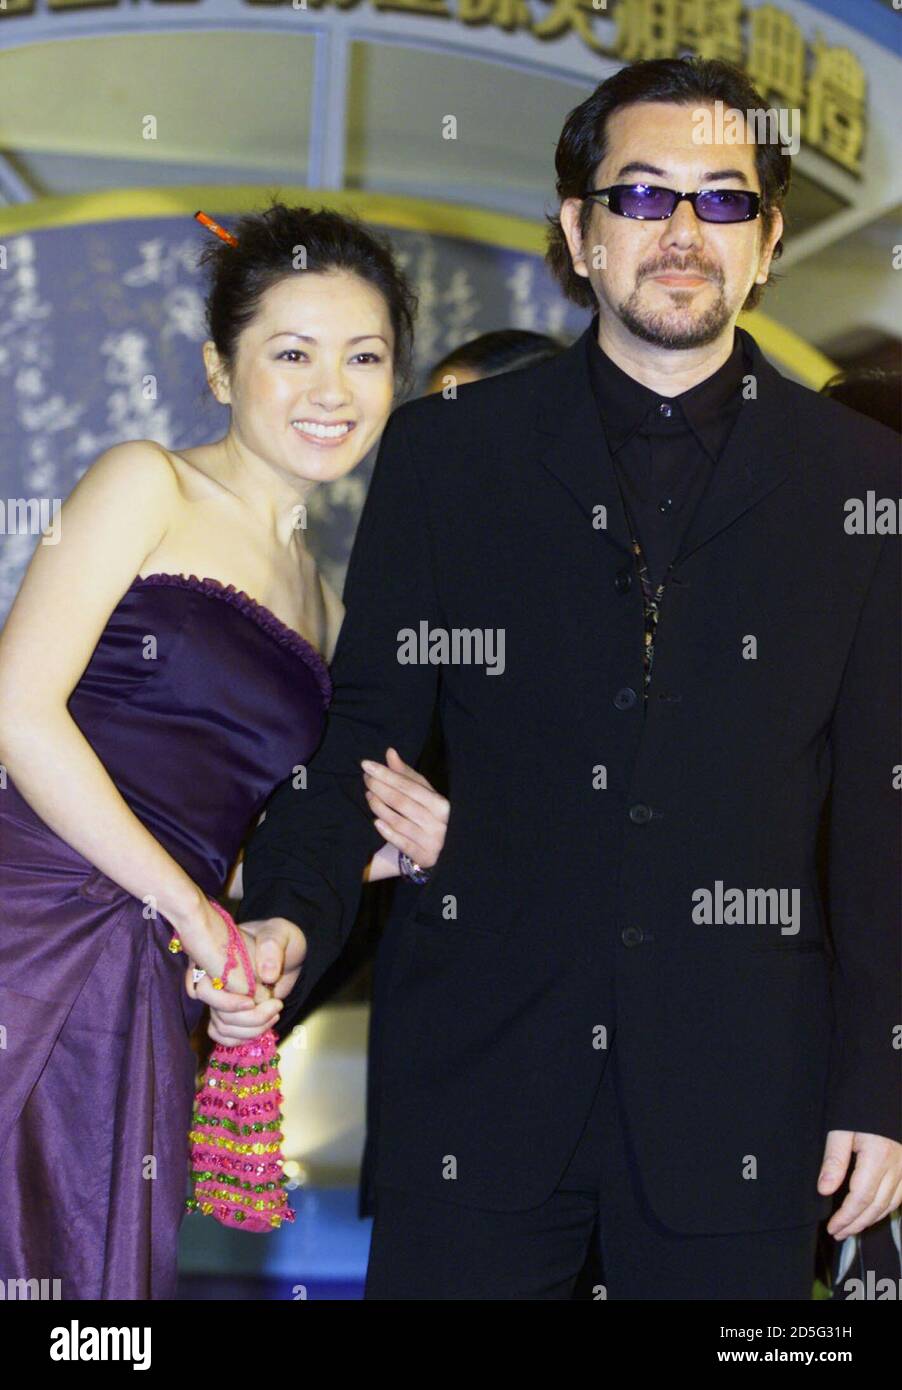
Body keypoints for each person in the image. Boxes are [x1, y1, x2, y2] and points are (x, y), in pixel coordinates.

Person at [235, 58, 902, 1300]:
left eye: (722, 199)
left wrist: (880, 1079)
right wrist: (286, 918)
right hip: (476, 1093)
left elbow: (878, 811)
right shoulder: (449, 459)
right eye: (642, 197)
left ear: (762, 244)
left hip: (745, 1105)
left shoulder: (858, 481)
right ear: (577, 231)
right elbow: (363, 740)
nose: (681, 233)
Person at [0, 201, 448, 1299]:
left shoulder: (333, 609)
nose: (330, 389)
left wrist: (350, 869)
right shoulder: (145, 481)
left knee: (87, 1284)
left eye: (364, 355)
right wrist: (194, 910)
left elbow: (230, 832)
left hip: (146, 972)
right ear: (218, 368)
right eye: (289, 353)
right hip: (25, 914)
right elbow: (17, 709)